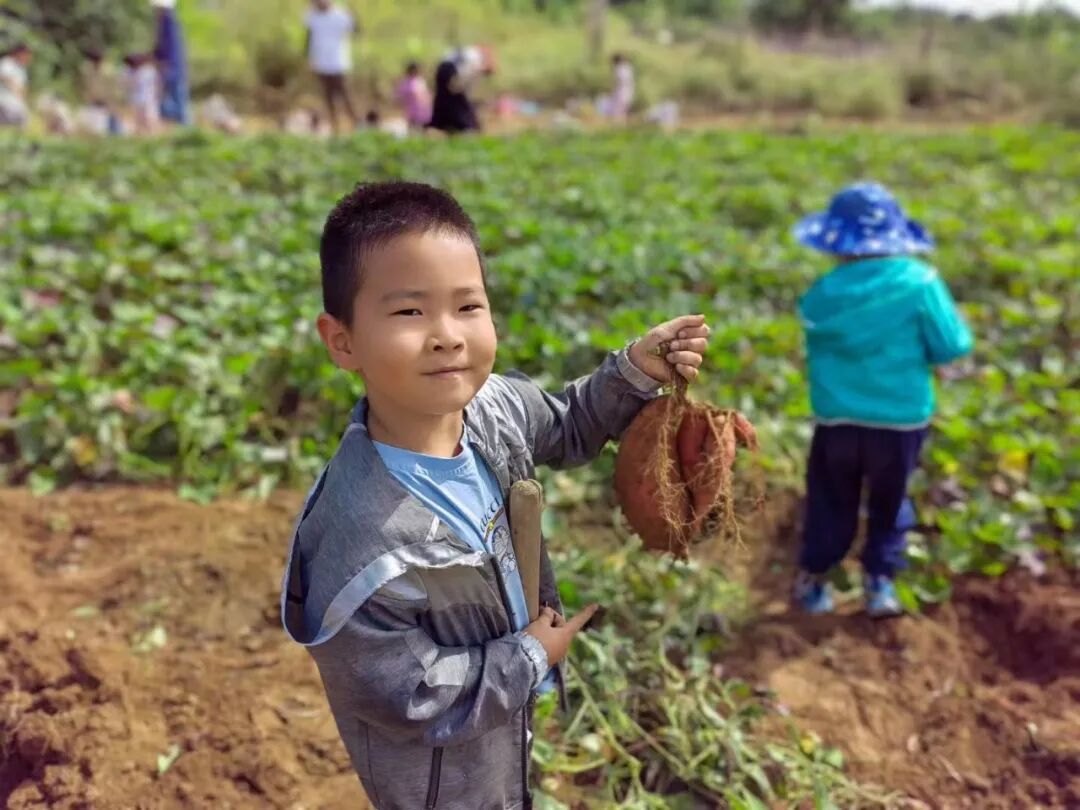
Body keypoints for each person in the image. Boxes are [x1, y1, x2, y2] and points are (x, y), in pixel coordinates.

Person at [279, 181, 711, 808]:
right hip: (436, 781)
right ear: (342, 340)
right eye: (409, 312)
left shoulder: (495, 407)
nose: (447, 335)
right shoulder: (364, 544)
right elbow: (413, 696)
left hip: (505, 724)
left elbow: (569, 423)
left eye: (468, 307)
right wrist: (532, 655)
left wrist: (635, 372)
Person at [792, 182, 973, 618]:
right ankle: (880, 586)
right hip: (900, 424)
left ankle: (813, 583)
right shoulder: (920, 282)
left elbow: (812, 331)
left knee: (831, 501)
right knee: (890, 502)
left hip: (837, 423)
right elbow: (951, 345)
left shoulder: (824, 291)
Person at [303, 0, 359, 133]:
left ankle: (356, 123)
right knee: (327, 94)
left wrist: (353, 15)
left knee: (343, 92)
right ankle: (335, 125)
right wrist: (309, 57)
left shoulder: (340, 14)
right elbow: (309, 37)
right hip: (321, 61)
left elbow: (356, 31)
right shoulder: (311, 15)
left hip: (338, 60)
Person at [428, 46, 491, 134]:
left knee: (444, 102)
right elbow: (463, 79)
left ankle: (444, 125)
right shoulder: (476, 60)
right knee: (458, 106)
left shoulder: (471, 54)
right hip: (451, 73)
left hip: (445, 71)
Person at [151, 0, 190, 125]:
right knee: (175, 101)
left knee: (176, 102)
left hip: (173, 70)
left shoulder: (168, 24)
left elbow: (167, 49)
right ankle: (182, 126)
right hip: (173, 70)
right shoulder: (166, 24)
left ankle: (184, 127)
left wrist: (162, 63)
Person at [78, 49, 123, 135]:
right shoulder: (87, 70)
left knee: (112, 120)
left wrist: (113, 100)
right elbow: (85, 84)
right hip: (93, 99)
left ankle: (116, 134)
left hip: (108, 100)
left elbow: (114, 87)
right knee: (94, 121)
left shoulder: (108, 70)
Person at [125, 53, 160, 135]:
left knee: (149, 118)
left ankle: (152, 134)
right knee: (138, 118)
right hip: (137, 98)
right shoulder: (130, 72)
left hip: (148, 97)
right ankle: (141, 133)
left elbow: (156, 83)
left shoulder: (148, 71)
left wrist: (157, 93)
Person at [0, 43, 31, 129]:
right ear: (19, 53)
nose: (27, 58)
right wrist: (14, 87)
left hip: (15, 101)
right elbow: (3, 76)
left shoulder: (22, 69)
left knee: (24, 117)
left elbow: (23, 87)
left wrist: (23, 96)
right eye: (26, 55)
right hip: (3, 98)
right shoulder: (7, 62)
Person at [396, 61, 431, 130]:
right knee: (412, 128)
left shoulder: (420, 81)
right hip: (411, 110)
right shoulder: (405, 82)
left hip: (422, 110)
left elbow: (426, 94)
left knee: (422, 128)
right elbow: (399, 96)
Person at [609, 52, 635, 121]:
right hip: (628, 91)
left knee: (617, 111)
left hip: (621, 91)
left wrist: (613, 90)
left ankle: (618, 125)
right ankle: (621, 124)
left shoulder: (619, 69)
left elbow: (619, 81)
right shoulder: (628, 68)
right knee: (623, 111)